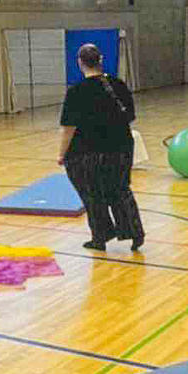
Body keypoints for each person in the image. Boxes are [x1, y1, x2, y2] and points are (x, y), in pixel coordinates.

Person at [57, 43, 145, 252]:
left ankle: (100, 236)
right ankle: (135, 233)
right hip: (122, 147)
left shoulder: (76, 91)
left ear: (80, 63)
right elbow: (130, 116)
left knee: (92, 193)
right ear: (101, 60)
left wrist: (61, 154)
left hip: (89, 151)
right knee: (120, 189)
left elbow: (68, 128)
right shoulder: (118, 85)